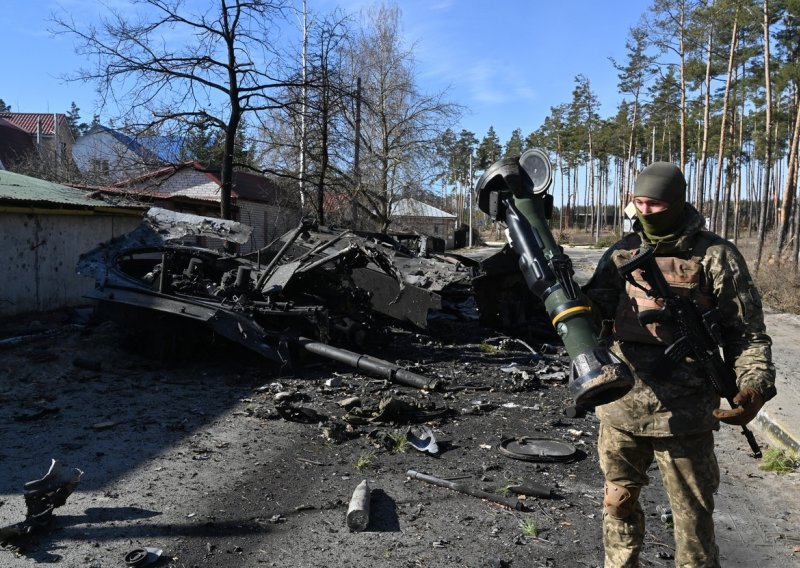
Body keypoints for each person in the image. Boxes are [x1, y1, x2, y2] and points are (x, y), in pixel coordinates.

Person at [582, 162, 776, 567]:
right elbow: (591, 317)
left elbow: (747, 334)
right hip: (622, 406)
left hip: (686, 412)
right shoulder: (620, 253)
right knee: (618, 504)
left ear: (677, 203)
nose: (646, 212)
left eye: (656, 204)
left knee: (693, 522)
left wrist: (753, 385)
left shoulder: (716, 256)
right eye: (639, 203)